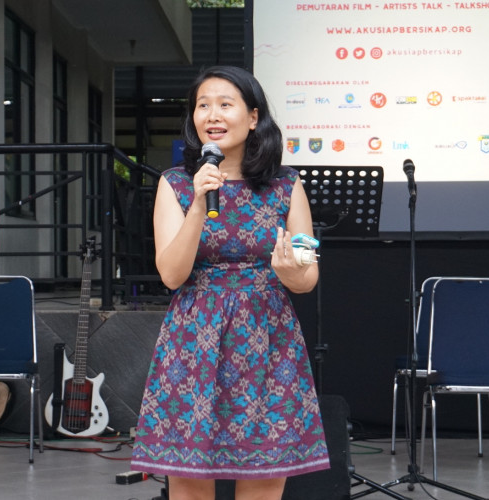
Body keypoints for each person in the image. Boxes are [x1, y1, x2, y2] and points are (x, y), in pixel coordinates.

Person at [130, 65, 330, 500]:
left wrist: (292, 272)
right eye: (203, 105)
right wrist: (200, 203)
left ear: (253, 116)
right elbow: (171, 274)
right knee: (189, 477)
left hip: (268, 340)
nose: (212, 114)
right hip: (193, 342)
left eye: (225, 104)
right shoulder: (176, 184)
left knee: (264, 474)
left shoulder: (286, 185)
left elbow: (307, 276)